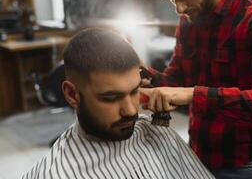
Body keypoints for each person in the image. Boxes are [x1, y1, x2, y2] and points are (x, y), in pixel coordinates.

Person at [140, 0, 252, 178]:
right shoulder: (189, 20)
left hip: (243, 163)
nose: (179, 9)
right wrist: (145, 74)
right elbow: (177, 82)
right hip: (197, 152)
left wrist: (195, 95)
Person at [21, 28, 214, 179]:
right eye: (110, 98)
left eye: (134, 91)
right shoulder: (55, 174)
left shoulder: (154, 131)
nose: (131, 110)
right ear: (72, 94)